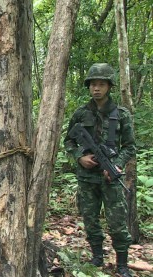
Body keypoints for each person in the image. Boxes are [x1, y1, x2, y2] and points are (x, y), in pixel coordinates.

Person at [64, 63, 136, 277]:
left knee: (117, 223)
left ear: (109, 87)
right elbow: (68, 141)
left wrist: (117, 164)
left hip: (110, 178)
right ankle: (97, 257)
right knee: (90, 220)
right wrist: (80, 157)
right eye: (93, 84)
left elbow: (130, 146)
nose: (96, 88)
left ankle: (122, 264)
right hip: (87, 179)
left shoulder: (121, 114)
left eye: (101, 84)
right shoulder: (80, 113)